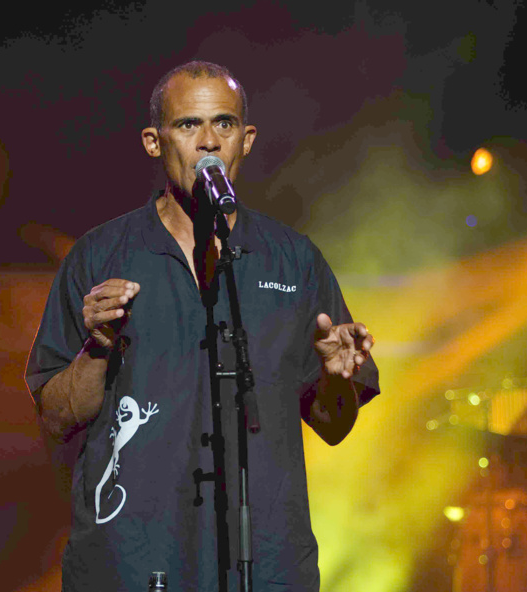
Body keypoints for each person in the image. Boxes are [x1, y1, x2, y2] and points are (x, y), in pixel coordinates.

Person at [25, 61, 380, 592]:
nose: (209, 141)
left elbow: (333, 425)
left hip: (265, 562)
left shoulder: (292, 260)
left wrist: (334, 376)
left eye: (225, 124)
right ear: (153, 141)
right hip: (131, 561)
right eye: (189, 125)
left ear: (247, 139)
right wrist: (97, 349)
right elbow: (55, 416)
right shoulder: (100, 256)